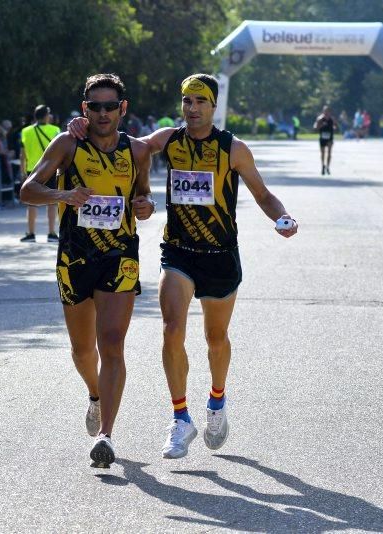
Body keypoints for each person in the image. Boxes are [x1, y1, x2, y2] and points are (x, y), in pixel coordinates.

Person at [68, 73, 298, 460]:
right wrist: (84, 126)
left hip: (220, 255)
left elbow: (263, 193)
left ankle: (217, 402)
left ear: (213, 106)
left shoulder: (232, 148)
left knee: (215, 338)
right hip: (177, 251)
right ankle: (180, 417)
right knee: (172, 328)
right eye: (186, 102)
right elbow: (121, 145)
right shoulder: (168, 140)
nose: (192, 109)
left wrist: (283, 217)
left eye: (200, 102)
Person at [20, 73, 154, 467]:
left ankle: (107, 436)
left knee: (112, 342)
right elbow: (28, 189)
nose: (101, 113)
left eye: (109, 106)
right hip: (75, 256)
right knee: (83, 350)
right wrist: (63, 194)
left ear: (122, 109)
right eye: (94, 106)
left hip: (120, 256)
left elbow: (142, 193)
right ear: (84, 109)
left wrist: (145, 205)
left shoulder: (138, 151)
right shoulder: (68, 144)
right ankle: (95, 394)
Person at [20, 105, 60, 242]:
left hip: (32, 170)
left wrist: (22, 170)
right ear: (45, 116)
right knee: (52, 202)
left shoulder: (25, 131)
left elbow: (23, 153)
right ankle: (52, 233)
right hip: (50, 169)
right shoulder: (55, 130)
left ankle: (31, 233)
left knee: (31, 202)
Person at [314, 105, 338, 175]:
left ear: (330, 112)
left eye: (328, 111)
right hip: (322, 137)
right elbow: (315, 128)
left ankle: (328, 166)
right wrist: (321, 125)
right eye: (325, 111)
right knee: (323, 153)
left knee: (329, 153)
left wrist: (334, 128)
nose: (326, 112)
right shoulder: (320, 119)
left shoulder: (332, 119)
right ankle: (323, 166)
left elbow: (336, 126)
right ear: (323, 111)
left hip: (330, 137)